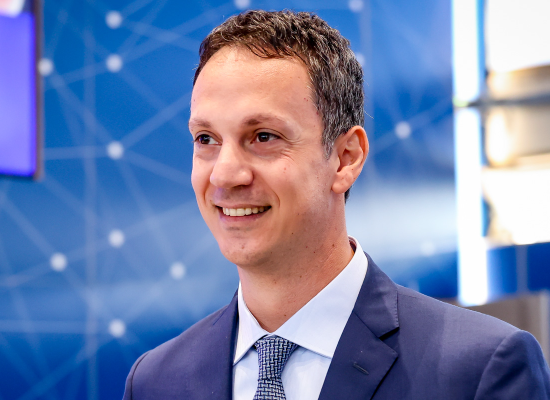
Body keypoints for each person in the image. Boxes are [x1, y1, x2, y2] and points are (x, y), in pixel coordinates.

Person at [122, 10, 550, 400]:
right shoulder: (155, 383)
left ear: (346, 158)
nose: (224, 175)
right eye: (206, 140)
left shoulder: (479, 370)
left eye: (264, 136)